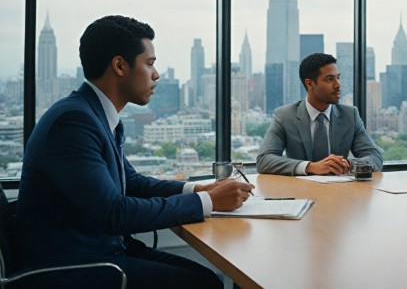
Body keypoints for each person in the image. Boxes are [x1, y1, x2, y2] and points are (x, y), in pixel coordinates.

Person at [15, 15, 255, 288]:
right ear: (119, 65)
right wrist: (209, 202)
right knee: (203, 284)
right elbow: (114, 212)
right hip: (72, 268)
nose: (156, 74)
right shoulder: (73, 122)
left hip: (103, 252)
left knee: (207, 280)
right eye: (150, 63)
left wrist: (200, 191)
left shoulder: (94, 114)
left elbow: (132, 183)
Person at [256, 53, 383, 176]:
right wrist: (311, 167)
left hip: (341, 192)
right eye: (329, 79)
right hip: (300, 192)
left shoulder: (350, 115)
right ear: (310, 84)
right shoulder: (285, 116)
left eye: (338, 78)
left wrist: (347, 164)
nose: (338, 85)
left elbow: (375, 157)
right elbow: (264, 160)